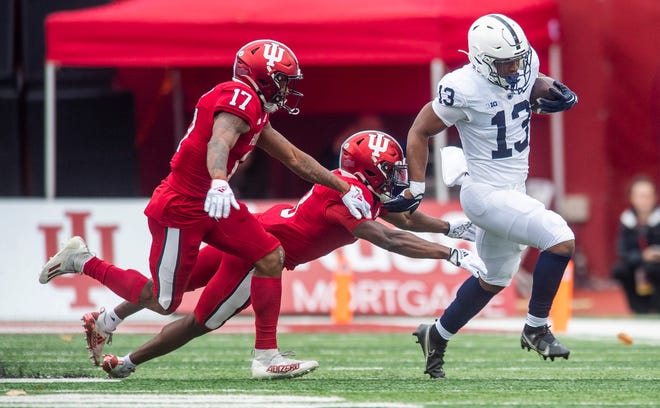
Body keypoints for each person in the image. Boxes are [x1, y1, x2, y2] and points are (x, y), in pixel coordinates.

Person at [40, 39, 372, 376]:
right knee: (163, 301)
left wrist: (343, 187)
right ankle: (83, 261)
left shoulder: (254, 106)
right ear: (263, 77)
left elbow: (293, 157)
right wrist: (218, 179)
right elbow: (220, 139)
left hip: (213, 202)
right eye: (284, 80)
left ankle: (266, 357)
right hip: (183, 204)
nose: (287, 89)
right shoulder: (240, 98)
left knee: (271, 255)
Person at [44, 131, 486, 379]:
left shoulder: (357, 189)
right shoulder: (347, 195)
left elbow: (403, 219)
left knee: (171, 288)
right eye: (389, 171)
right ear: (368, 172)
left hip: (255, 231)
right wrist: (449, 254)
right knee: (202, 319)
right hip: (258, 252)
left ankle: (99, 303)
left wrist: (452, 227)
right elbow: (390, 239)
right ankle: (129, 362)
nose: (396, 178)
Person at [382, 14, 578, 378]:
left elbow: (530, 81)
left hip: (512, 191)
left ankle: (436, 335)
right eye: (506, 62)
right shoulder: (462, 86)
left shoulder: (522, 61)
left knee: (494, 279)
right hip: (485, 194)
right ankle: (536, 327)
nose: (515, 68)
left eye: (518, 59)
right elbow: (419, 131)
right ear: (481, 60)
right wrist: (417, 187)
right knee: (560, 238)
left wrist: (556, 89)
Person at [611, 175, 660, 314]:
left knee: (653, 268)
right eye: (639, 196)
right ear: (632, 198)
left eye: (647, 196)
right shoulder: (627, 220)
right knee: (620, 269)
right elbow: (622, 251)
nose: (643, 201)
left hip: (657, 268)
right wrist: (643, 256)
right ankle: (637, 306)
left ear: (654, 197)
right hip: (637, 267)